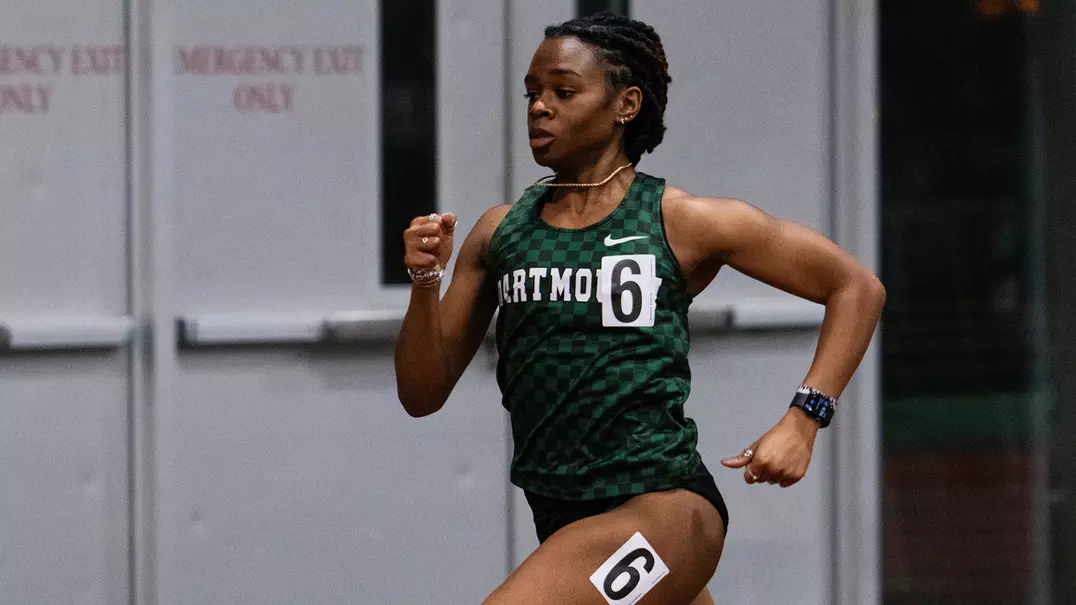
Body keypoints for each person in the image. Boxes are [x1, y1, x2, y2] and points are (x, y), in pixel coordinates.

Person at [394, 11, 885, 605]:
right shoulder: (500, 233)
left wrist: (804, 419)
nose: (539, 107)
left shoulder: (678, 219)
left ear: (626, 104)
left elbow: (856, 288)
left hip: (665, 506)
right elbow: (422, 394)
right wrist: (425, 281)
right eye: (533, 93)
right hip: (561, 514)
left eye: (564, 91)